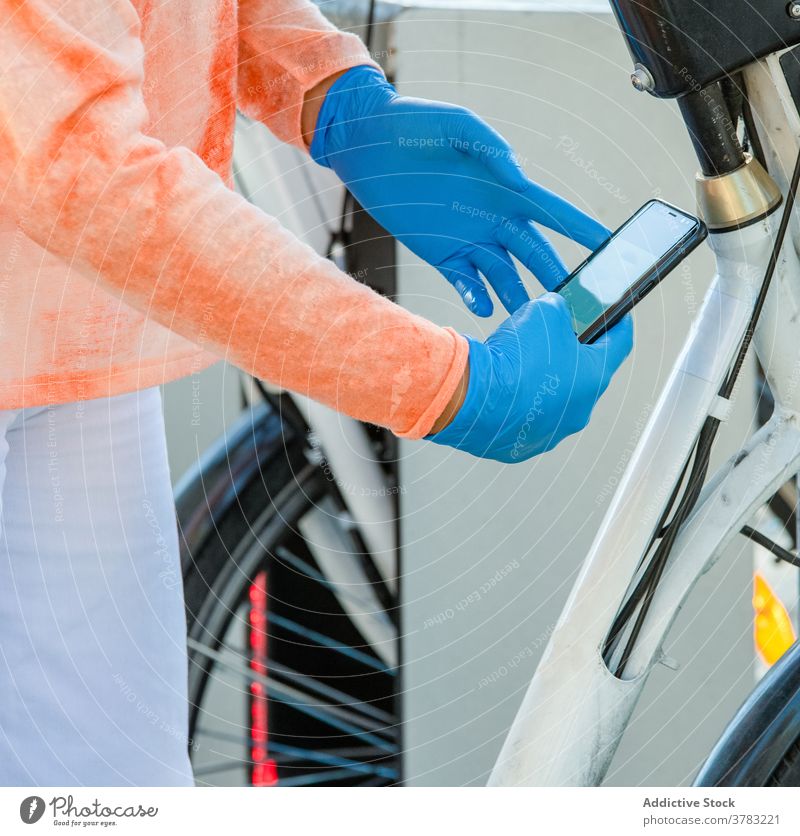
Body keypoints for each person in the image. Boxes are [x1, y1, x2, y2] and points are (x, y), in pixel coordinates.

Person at [0, 0, 632, 785]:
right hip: (66, 259)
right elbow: (84, 173)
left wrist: (332, 92)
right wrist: (440, 382)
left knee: (117, 787)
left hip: (59, 329)